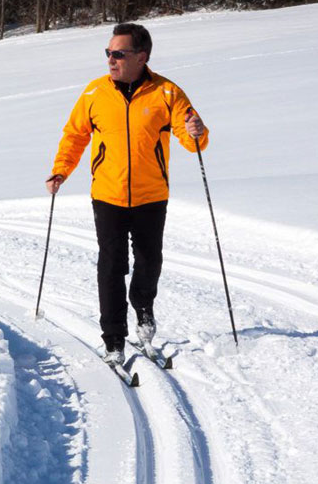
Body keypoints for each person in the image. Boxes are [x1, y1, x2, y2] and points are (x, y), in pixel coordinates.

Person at [46, 22, 207, 365]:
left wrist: (197, 130)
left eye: (119, 54)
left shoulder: (167, 93)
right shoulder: (94, 93)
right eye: (108, 53)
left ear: (141, 56)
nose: (111, 60)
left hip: (152, 195)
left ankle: (144, 310)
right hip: (108, 195)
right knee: (111, 265)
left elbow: (191, 136)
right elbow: (75, 136)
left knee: (149, 263)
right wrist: (61, 170)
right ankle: (114, 337)